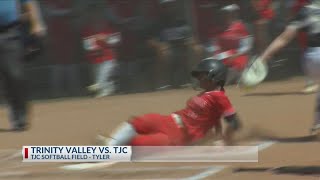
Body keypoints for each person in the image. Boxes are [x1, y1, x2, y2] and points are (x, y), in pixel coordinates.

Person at [96, 59, 241, 146]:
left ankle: (113, 150)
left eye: (202, 75)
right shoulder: (206, 94)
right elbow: (214, 119)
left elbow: (234, 122)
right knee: (138, 122)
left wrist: (225, 140)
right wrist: (216, 134)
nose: (199, 78)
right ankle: (110, 145)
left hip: (178, 136)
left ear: (214, 77)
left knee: (138, 143)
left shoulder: (219, 96)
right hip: (169, 120)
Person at [256, 0, 320, 133]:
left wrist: (264, 56)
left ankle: (317, 122)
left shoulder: (305, 11)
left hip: (311, 60)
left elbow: (283, 38)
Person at [0, 0, 45, 131]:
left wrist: (36, 23)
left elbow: (29, 2)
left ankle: (20, 117)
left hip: (10, 32)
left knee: (15, 75)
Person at [83, 3, 121, 98]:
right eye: (93, 14)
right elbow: (87, 46)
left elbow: (116, 40)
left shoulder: (108, 27)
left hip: (108, 57)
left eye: (98, 13)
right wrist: (95, 41)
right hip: (94, 59)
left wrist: (106, 38)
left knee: (102, 77)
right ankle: (108, 87)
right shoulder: (87, 29)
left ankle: (101, 86)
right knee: (99, 79)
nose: (96, 16)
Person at [211, 4, 252, 84]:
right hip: (224, 55)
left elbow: (246, 46)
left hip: (238, 55)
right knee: (211, 62)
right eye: (225, 13)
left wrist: (236, 55)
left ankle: (233, 77)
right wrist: (216, 57)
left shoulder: (241, 27)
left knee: (237, 66)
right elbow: (216, 47)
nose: (227, 16)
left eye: (230, 13)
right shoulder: (219, 28)